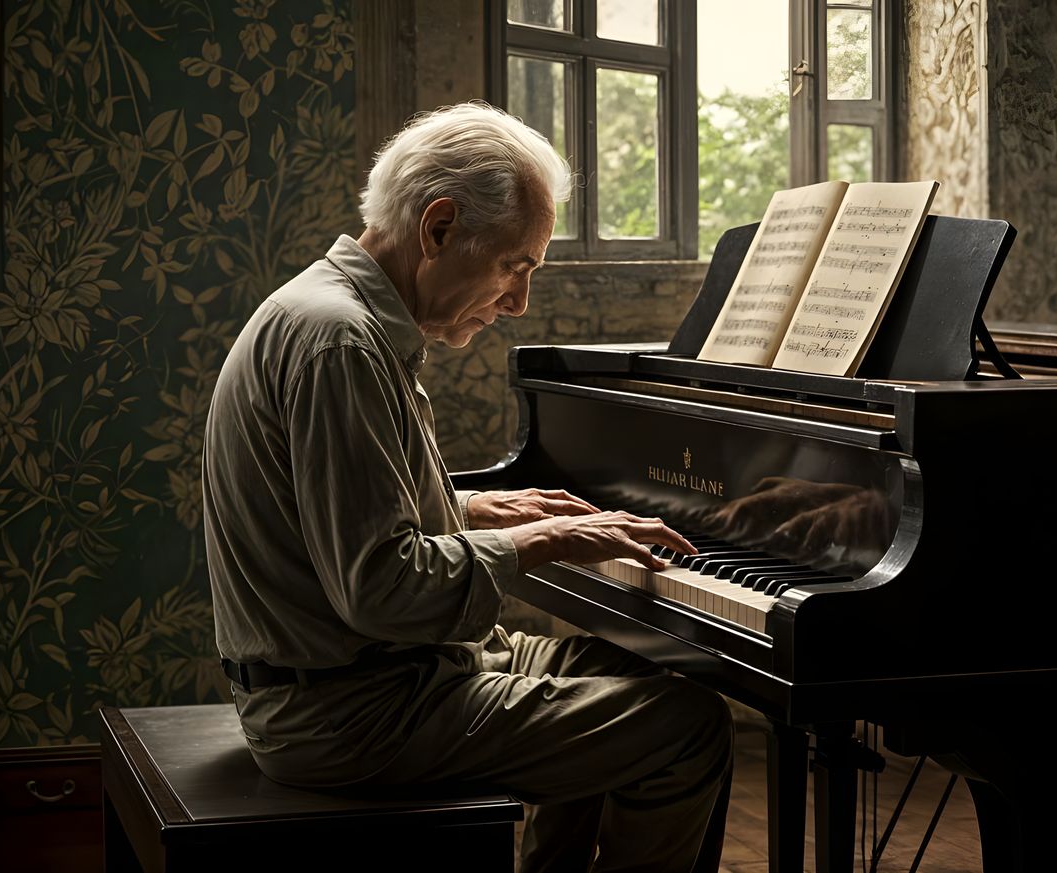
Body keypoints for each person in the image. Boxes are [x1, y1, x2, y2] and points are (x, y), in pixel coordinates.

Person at [202, 101, 734, 872]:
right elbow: (379, 588)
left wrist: (472, 508)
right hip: (352, 711)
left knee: (634, 673)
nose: (518, 302)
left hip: (386, 677)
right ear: (440, 227)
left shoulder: (340, 316)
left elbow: (333, 517)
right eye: (516, 265)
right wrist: (543, 539)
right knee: (688, 728)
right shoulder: (339, 342)